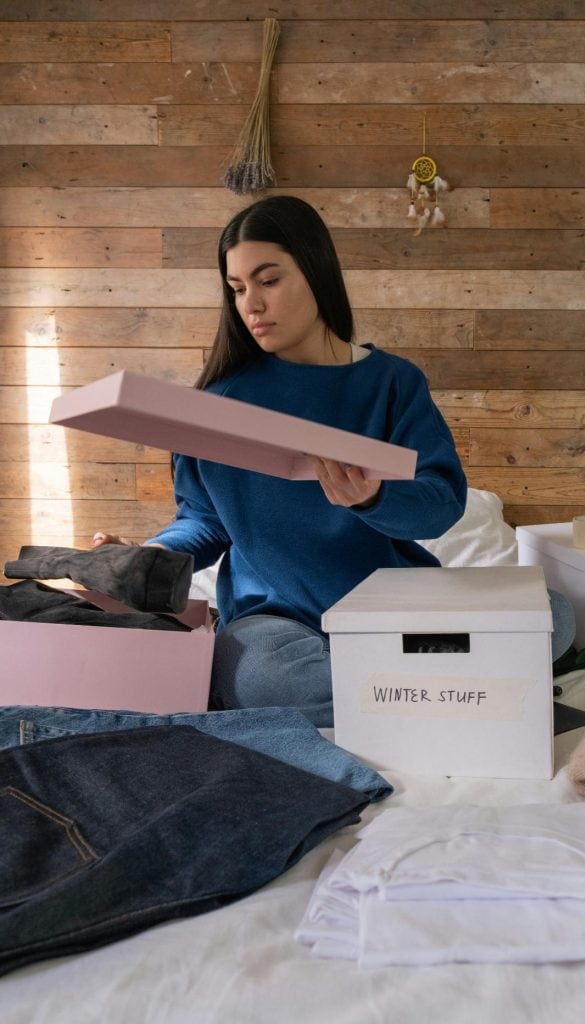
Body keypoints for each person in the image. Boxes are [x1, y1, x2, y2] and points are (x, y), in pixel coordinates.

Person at [93, 195, 466, 726]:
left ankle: (408, 687)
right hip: (275, 618)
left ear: (316, 272)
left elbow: (442, 505)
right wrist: (152, 554)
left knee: (555, 615)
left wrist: (374, 496)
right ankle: (453, 689)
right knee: (268, 680)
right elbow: (203, 522)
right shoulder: (218, 403)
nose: (252, 305)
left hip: (391, 603)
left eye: (269, 281)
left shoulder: (393, 383)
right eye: (238, 289)